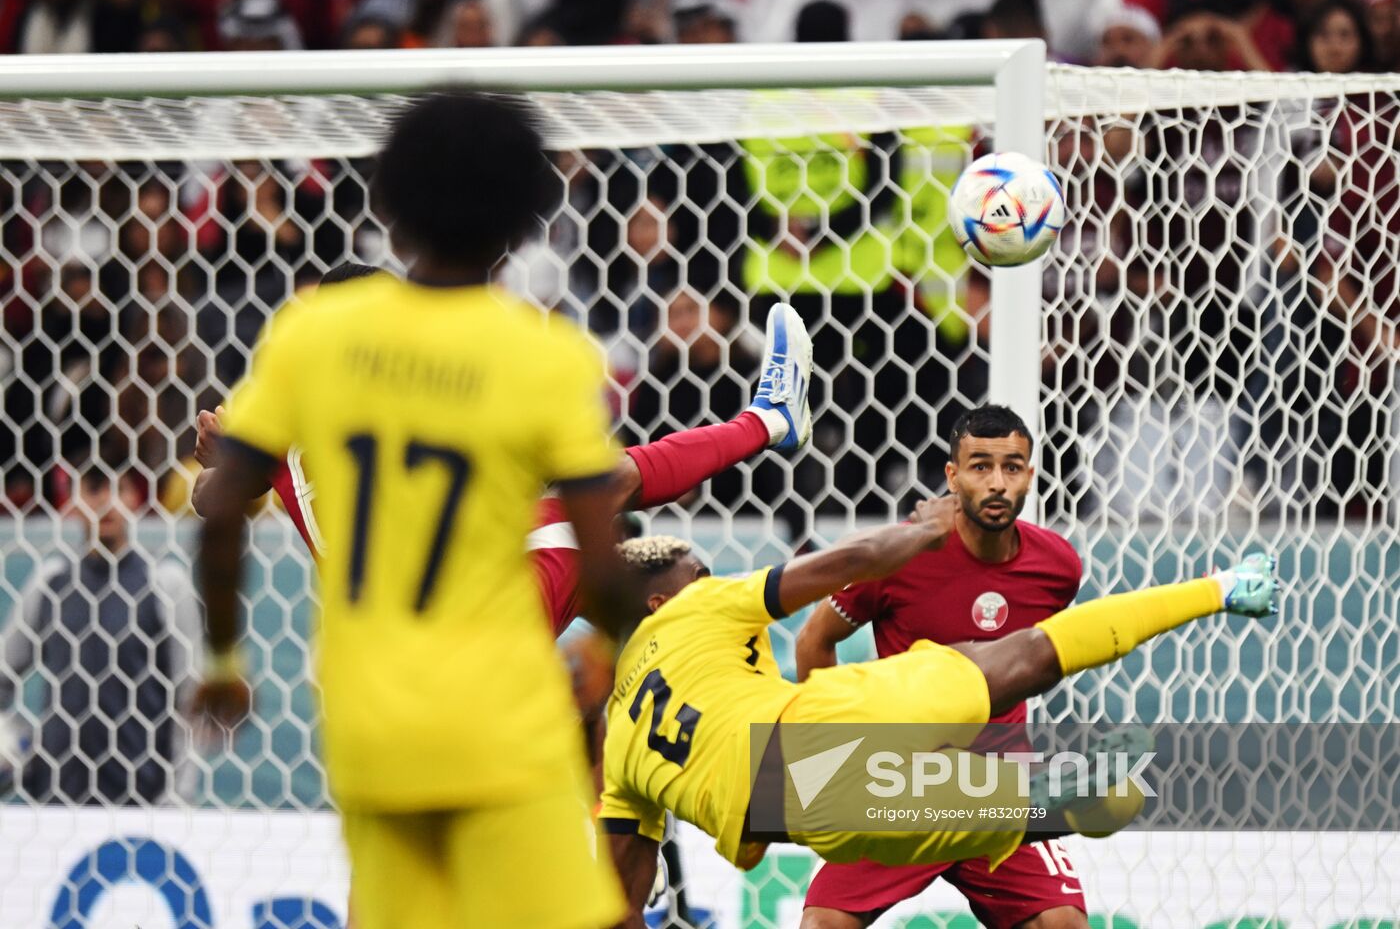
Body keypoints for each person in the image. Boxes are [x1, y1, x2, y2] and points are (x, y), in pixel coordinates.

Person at [193, 92, 635, 929]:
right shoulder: (542, 356)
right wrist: (606, 648)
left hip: (370, 721)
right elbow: (602, 541)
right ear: (519, 222)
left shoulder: (312, 334)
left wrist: (223, 661)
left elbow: (217, 511)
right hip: (498, 713)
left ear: (390, 211)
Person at [598, 510, 1278, 925]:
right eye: (700, 572)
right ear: (659, 602)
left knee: (945, 813)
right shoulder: (698, 605)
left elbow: (622, 905)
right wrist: (923, 532)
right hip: (825, 718)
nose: (710, 577)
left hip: (796, 810)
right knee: (1024, 657)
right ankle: (1223, 588)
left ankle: (1036, 799)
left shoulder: (617, 745)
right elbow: (849, 562)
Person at [192, 267, 814, 640]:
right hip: (463, 635)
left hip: (442, 619)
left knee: (615, 523)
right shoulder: (295, 410)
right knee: (615, 521)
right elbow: (211, 498)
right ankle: (766, 425)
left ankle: (765, 429)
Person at [794, 405, 1090, 929]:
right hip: (901, 783)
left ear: (1030, 474)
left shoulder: (1057, 568)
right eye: (980, 466)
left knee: (1062, 922)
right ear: (952, 476)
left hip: (999, 784)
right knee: (824, 923)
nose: (997, 482)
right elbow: (815, 640)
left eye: (1012, 467)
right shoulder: (899, 555)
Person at [0, 468, 201, 805]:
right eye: (94, 489)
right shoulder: (51, 582)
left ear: (135, 498)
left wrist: (179, 797)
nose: (107, 502)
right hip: (56, 801)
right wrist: (13, 742)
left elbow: (189, 699)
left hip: (142, 805)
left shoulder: (166, 584)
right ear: (74, 499)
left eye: (119, 488)